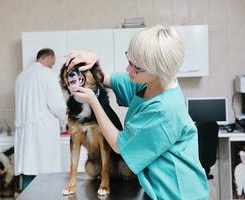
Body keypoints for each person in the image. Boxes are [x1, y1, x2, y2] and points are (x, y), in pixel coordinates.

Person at [66, 25, 209, 200]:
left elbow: (119, 145)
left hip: (176, 193)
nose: (128, 70)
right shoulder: (149, 83)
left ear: (158, 70)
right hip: (155, 187)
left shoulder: (163, 110)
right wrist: (94, 63)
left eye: (136, 67)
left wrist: (94, 102)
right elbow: (106, 78)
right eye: (129, 61)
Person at [14, 48, 67, 190]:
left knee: (28, 170)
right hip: (42, 132)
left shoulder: (21, 76)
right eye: (53, 63)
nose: (52, 66)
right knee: (46, 173)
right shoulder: (47, 74)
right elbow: (57, 106)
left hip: (25, 134)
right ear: (49, 57)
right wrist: (66, 117)